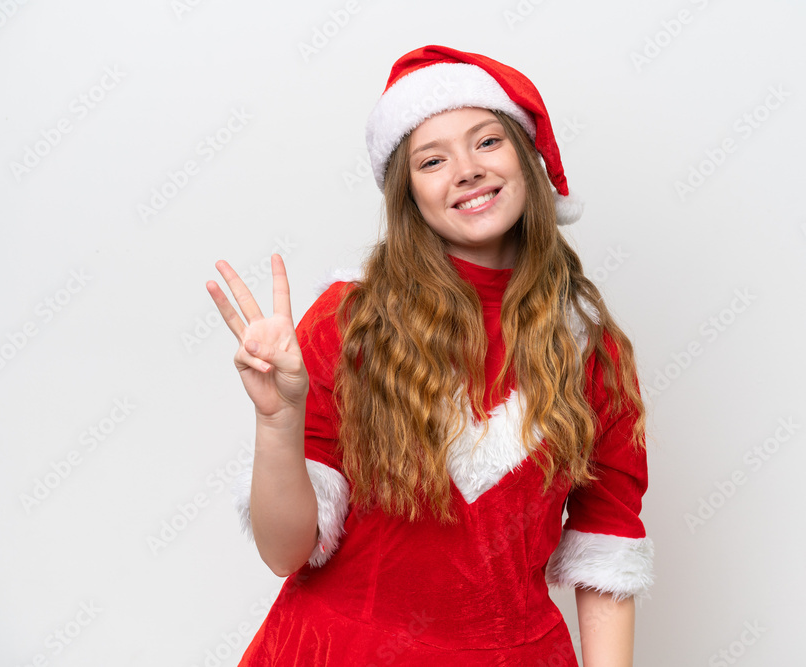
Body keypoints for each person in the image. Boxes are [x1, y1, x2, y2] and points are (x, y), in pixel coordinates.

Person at [206, 44, 654, 666]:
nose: (466, 169)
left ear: (528, 160)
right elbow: (287, 553)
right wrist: (277, 421)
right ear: (408, 193)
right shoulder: (350, 319)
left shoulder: (588, 347)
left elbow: (608, 549)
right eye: (433, 159)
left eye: (487, 142)